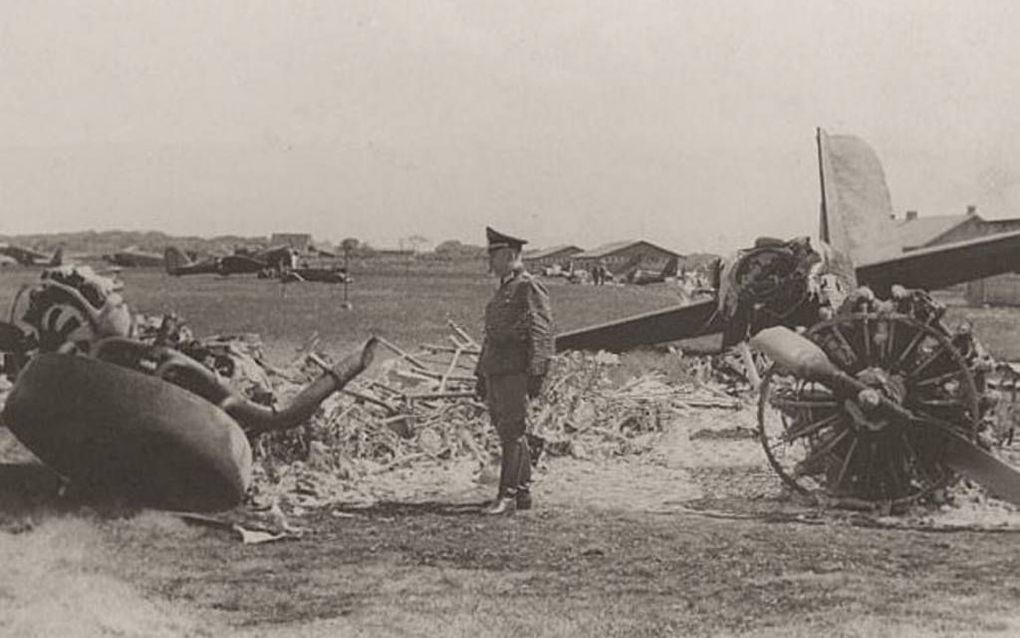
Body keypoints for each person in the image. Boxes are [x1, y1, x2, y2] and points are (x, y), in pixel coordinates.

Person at [475, 226, 554, 515]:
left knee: (512, 432)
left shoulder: (527, 286)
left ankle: (507, 494)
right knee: (508, 430)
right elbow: (490, 336)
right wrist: (480, 374)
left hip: (515, 372)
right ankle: (522, 493)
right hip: (497, 371)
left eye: (493, 258)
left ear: (509, 255)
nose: (489, 264)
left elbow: (542, 332)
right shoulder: (505, 289)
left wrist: (537, 374)